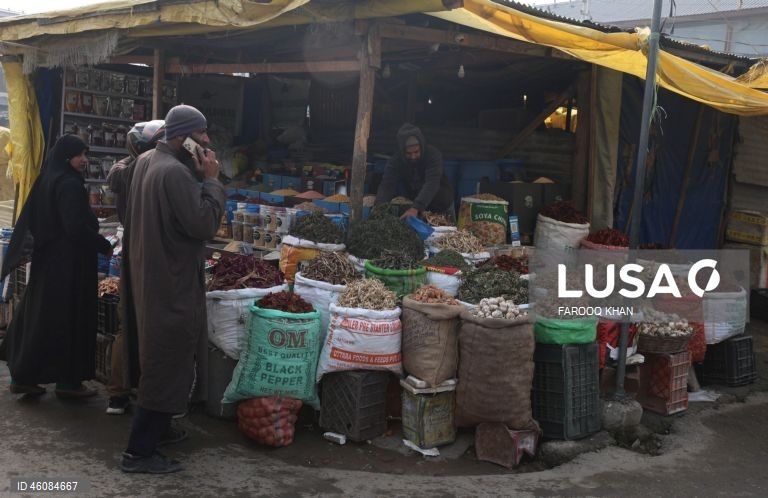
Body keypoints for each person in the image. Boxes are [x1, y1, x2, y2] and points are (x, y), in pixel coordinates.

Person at [120, 105, 225, 474]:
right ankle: (139, 452)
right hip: (172, 282)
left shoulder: (148, 160)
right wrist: (211, 180)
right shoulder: (174, 173)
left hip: (152, 274)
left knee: (161, 359)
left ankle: (160, 431)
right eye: (202, 136)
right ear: (185, 138)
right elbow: (203, 224)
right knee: (166, 364)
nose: (208, 143)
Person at [0, 135, 113, 398]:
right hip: (69, 266)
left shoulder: (47, 179)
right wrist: (102, 244)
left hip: (48, 261)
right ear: (65, 157)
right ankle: (68, 383)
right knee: (68, 320)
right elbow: (74, 227)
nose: (84, 160)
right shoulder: (70, 184)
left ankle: (23, 376)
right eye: (79, 155)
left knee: (40, 318)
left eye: (86, 154)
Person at [104, 120, 165, 416]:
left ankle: (117, 394)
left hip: (128, 250)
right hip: (150, 255)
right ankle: (148, 396)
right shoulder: (152, 170)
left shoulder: (122, 170)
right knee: (149, 326)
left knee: (124, 325)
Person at [374, 123, 454, 220]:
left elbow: (432, 183)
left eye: (416, 152)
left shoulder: (433, 155)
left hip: (442, 204)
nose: (413, 156)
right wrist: (379, 207)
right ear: (402, 151)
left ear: (421, 147)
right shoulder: (396, 161)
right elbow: (387, 185)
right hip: (416, 207)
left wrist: (416, 207)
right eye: (408, 153)